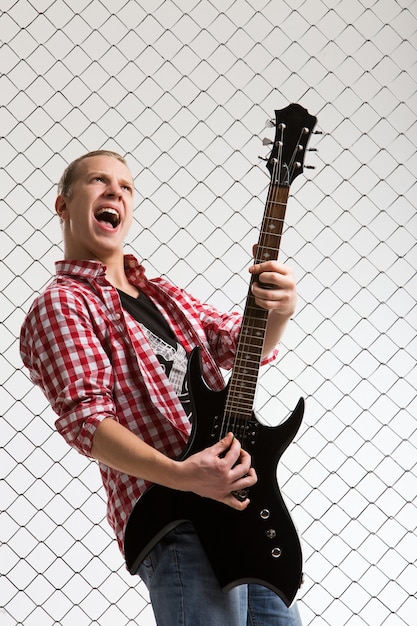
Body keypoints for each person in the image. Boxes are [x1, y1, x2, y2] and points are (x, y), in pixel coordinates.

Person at [20, 150, 302, 626]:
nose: (115, 192)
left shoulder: (159, 294)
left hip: (245, 507)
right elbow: (88, 422)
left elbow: (236, 342)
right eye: (98, 181)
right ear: (62, 205)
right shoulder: (62, 304)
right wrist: (186, 475)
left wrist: (279, 308)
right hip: (177, 516)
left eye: (126, 187)